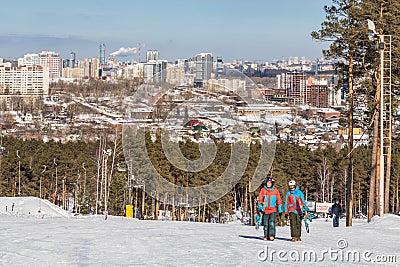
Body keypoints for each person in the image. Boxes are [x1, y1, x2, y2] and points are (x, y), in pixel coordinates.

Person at [257, 177, 283, 241]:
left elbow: (279, 200)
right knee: (265, 224)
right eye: (267, 183)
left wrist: (280, 209)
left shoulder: (275, 190)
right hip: (265, 210)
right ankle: (266, 235)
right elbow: (260, 199)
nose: (268, 184)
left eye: (270, 183)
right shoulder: (263, 190)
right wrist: (260, 206)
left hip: (273, 209)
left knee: (271, 223)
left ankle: (271, 235)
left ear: (272, 183)